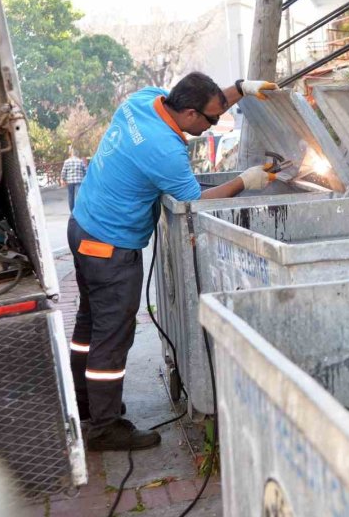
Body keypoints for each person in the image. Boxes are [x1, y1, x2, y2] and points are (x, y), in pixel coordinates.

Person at [68, 72, 278, 451]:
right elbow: (194, 202)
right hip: (109, 246)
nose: (215, 124)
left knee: (89, 325)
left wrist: (241, 88)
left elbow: (203, 102)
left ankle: (86, 403)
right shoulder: (164, 149)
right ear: (191, 113)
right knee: (111, 336)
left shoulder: (145, 99)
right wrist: (247, 181)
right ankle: (104, 426)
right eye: (212, 120)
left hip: (83, 225)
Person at [60, 148, 86, 212]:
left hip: (70, 181)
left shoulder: (67, 161)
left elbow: (63, 172)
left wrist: (62, 179)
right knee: (78, 196)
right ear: (77, 154)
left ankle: (72, 211)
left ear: (72, 154)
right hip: (79, 181)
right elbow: (85, 170)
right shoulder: (80, 161)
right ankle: (78, 211)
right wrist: (85, 178)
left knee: (70, 196)